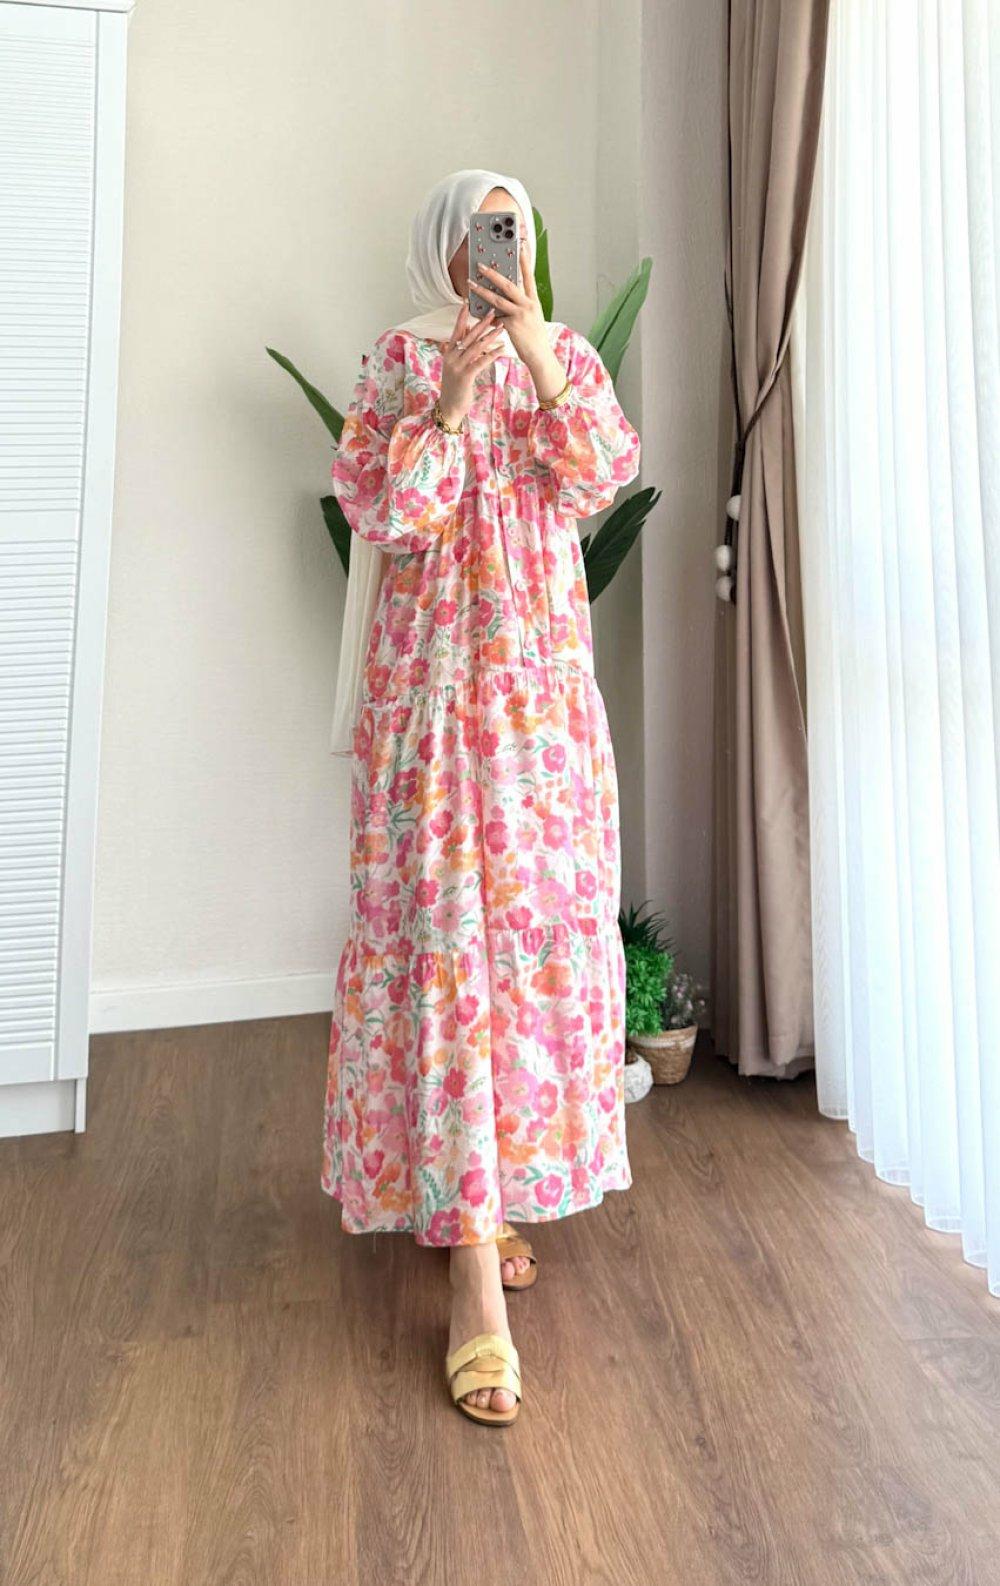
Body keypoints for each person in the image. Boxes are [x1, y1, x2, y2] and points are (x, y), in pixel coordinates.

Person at [321, 168, 641, 1427]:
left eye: (517, 228)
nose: (503, 249)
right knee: (445, 946)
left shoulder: (566, 359)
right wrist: (450, 403)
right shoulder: (401, 361)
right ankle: (468, 1270)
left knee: (526, 945)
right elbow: (384, 512)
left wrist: (537, 357)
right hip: (431, 702)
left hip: (539, 710)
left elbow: (600, 476)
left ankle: (491, 1186)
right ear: (446, 251)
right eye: (483, 231)